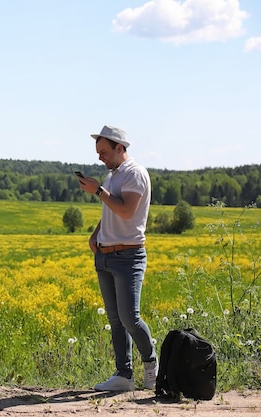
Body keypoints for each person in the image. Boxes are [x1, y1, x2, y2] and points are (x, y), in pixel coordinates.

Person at [77, 125, 158, 392]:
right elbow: (111, 212)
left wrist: (98, 191)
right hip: (105, 254)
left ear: (119, 148)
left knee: (130, 318)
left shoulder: (134, 174)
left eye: (103, 151)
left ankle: (151, 363)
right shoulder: (112, 176)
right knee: (115, 319)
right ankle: (124, 375)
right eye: (98, 152)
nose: (100, 157)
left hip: (128, 256)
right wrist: (96, 234)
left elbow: (126, 211)